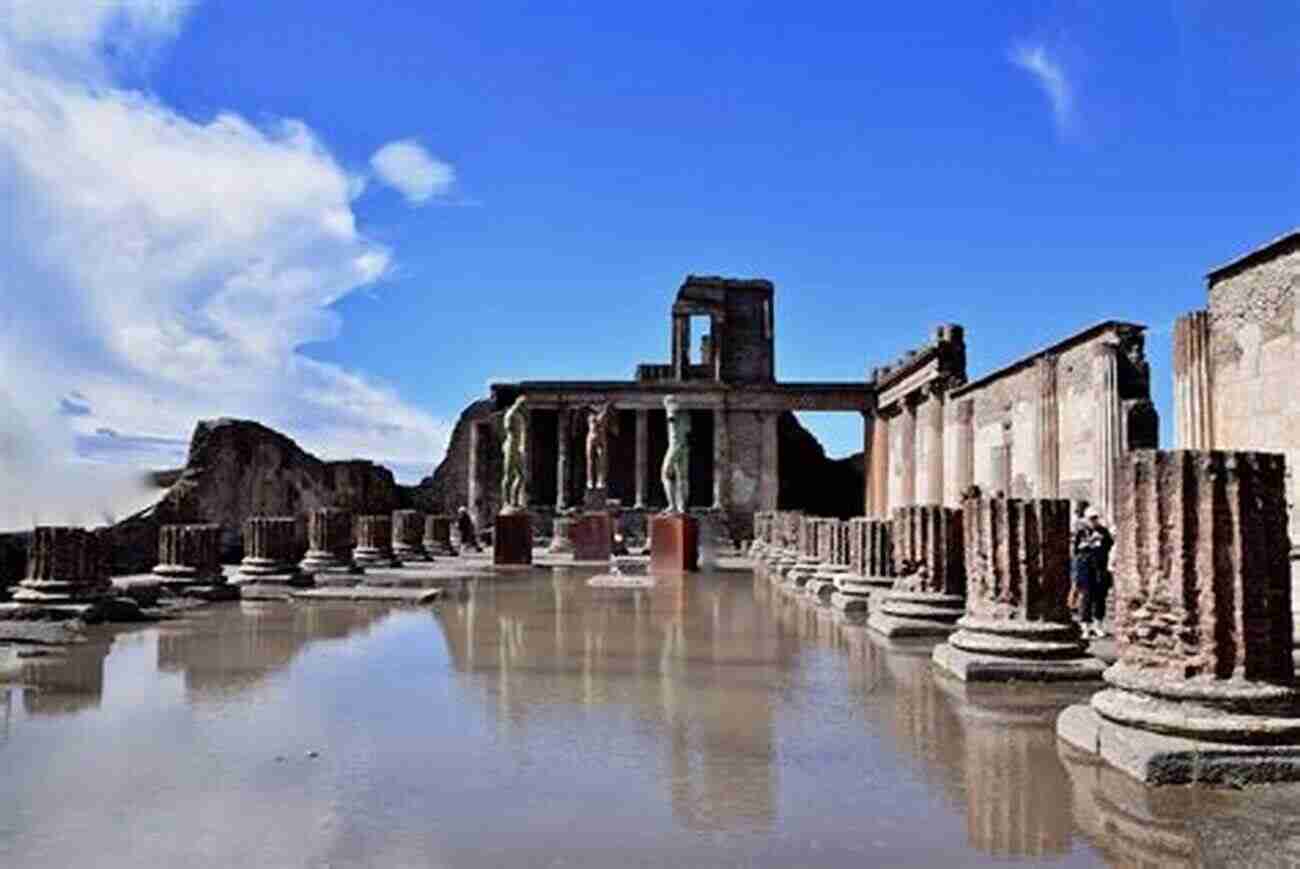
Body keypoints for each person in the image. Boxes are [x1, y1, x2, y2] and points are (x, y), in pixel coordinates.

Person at [1072, 506, 1114, 639]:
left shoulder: (1103, 531)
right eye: (1091, 518)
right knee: (1086, 598)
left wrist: (1098, 542)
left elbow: (1108, 545)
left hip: (1100, 568)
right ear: (1086, 519)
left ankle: (1098, 626)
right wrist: (1089, 543)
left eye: (1095, 518)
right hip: (1085, 568)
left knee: (1100, 598)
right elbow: (1076, 550)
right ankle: (1085, 627)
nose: (1093, 521)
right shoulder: (1081, 532)